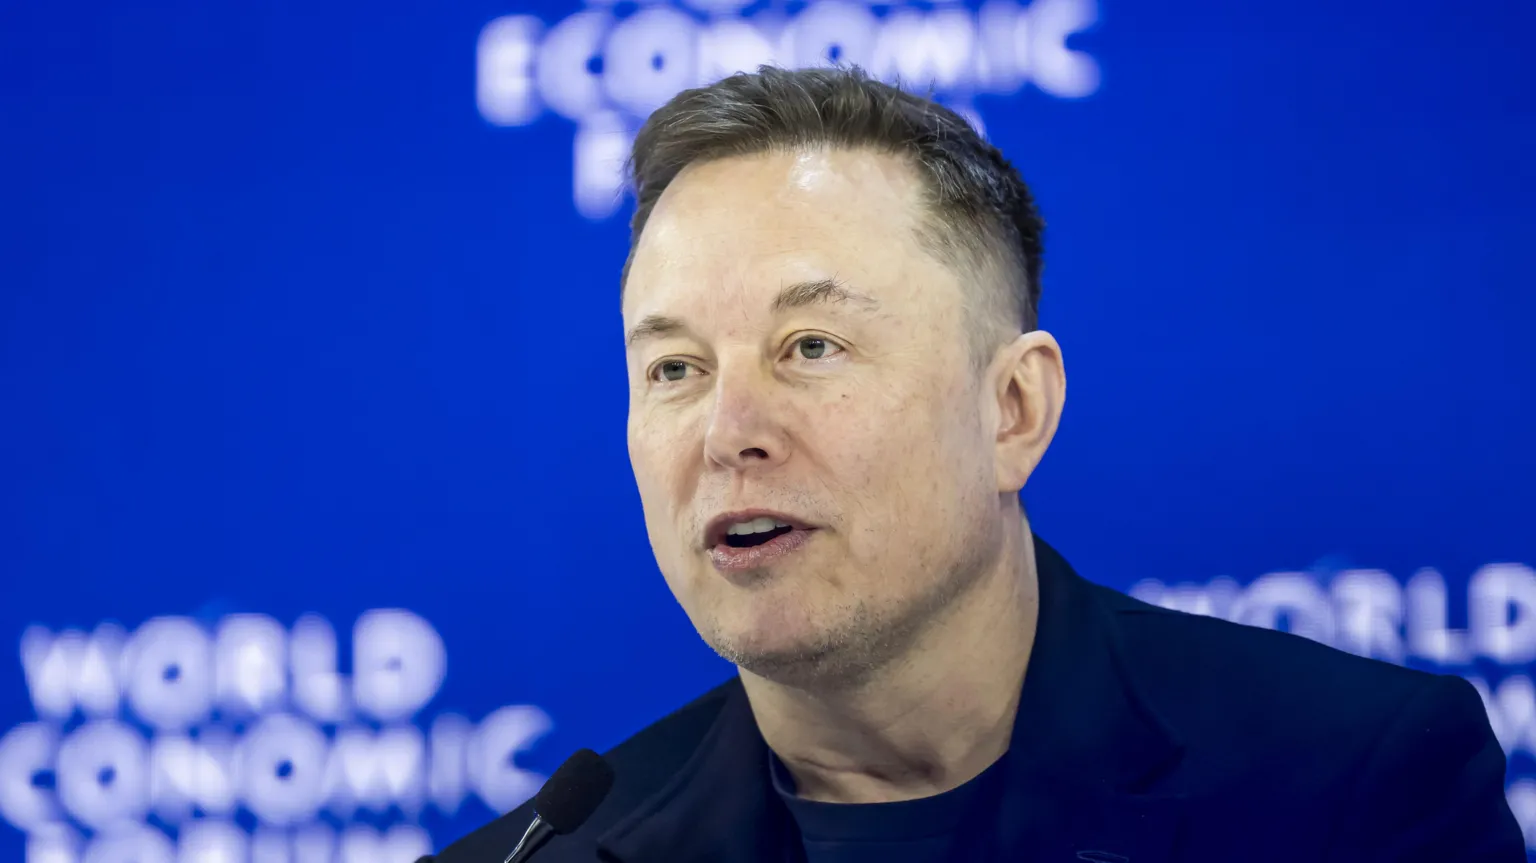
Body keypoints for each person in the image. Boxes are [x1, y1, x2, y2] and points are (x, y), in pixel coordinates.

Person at [435, 65, 1524, 862]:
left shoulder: (1348, 788)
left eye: (810, 347)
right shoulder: (537, 855)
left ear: (1013, 409)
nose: (728, 431)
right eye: (674, 367)